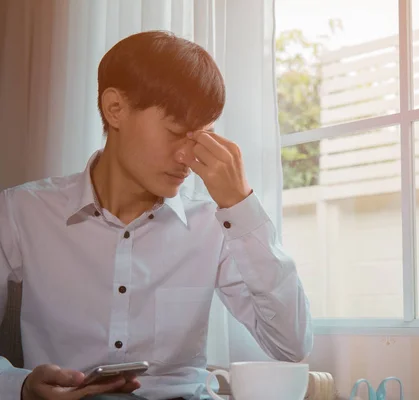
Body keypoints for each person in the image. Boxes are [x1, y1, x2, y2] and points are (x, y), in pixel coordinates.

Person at [0, 30, 313, 400]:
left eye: (201, 137)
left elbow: (290, 346)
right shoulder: (22, 211)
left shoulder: (215, 224)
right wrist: (18, 385)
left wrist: (241, 207)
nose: (187, 158)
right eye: (177, 132)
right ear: (115, 109)